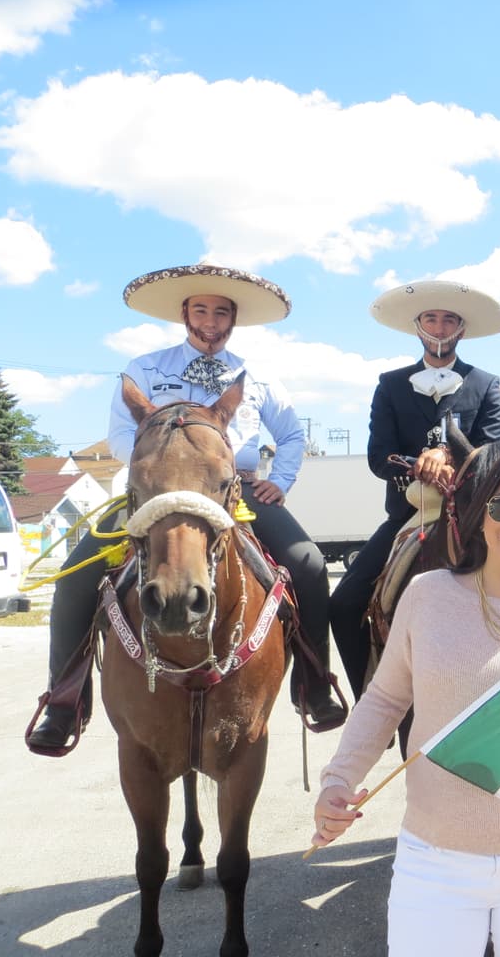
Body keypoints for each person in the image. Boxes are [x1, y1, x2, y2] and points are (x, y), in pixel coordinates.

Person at [27, 264, 346, 754]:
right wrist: (159, 454)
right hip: (155, 491)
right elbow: (118, 433)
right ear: (184, 314)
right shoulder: (144, 369)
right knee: (74, 574)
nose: (212, 320)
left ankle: (315, 685)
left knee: (307, 562)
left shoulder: (256, 375)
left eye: (222, 311)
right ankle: (64, 700)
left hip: (231, 492)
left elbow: (291, 435)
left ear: (233, 318)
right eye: (201, 309)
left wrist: (278, 483)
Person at [313, 442, 500, 957]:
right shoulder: (427, 594)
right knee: (343, 600)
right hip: (434, 860)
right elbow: (385, 698)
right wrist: (340, 779)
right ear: (481, 512)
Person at [329, 280, 500, 701]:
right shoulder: (390, 384)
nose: (440, 326)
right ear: (418, 327)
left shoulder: (485, 383)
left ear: (461, 330)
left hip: (470, 513)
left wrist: (449, 455)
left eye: (449, 319)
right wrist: (418, 464)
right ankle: (369, 701)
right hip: (406, 513)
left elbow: (494, 447)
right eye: (432, 318)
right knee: (343, 602)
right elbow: (378, 456)